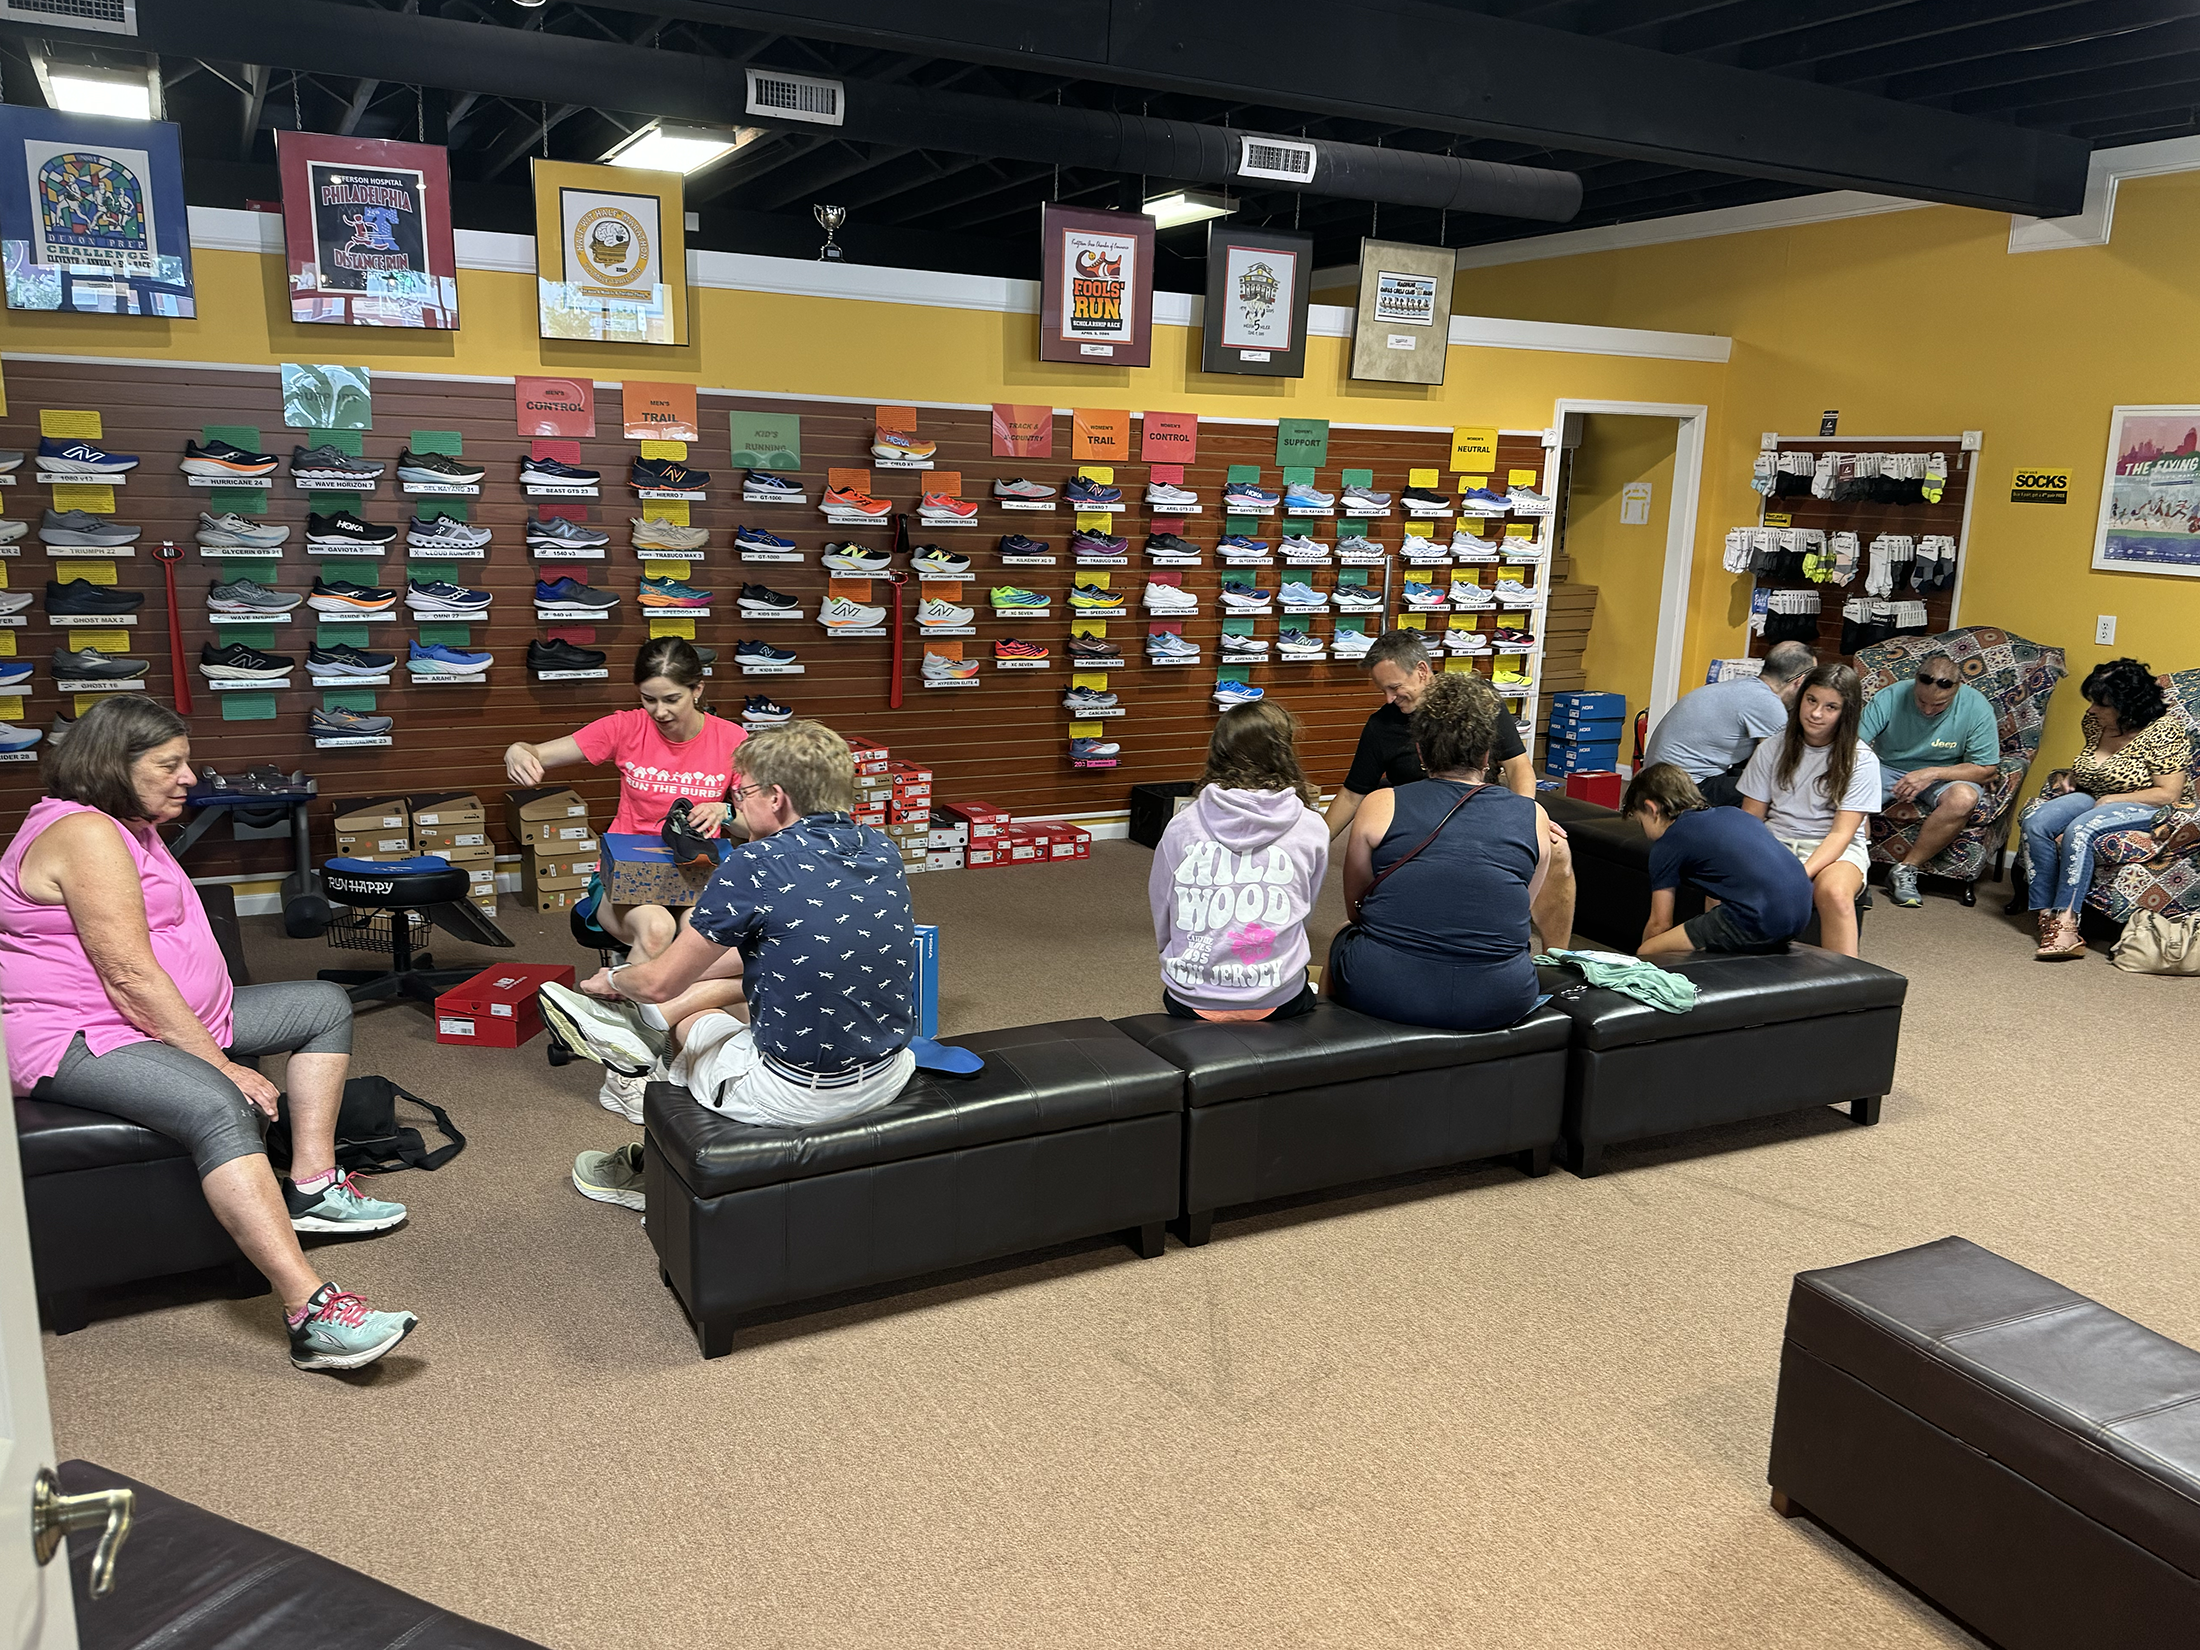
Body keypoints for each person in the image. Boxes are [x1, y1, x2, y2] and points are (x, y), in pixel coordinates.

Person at [0, 698, 417, 1373]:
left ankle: (312, 1185)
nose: (189, 776)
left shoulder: (126, 823)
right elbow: (129, 976)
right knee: (219, 1106)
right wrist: (221, 1066)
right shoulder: (85, 834)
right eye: (169, 764)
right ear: (113, 766)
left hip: (156, 1017)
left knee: (322, 1004)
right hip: (81, 1035)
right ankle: (309, 1313)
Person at [538, 721, 918, 1212]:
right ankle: (675, 1014)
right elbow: (793, 947)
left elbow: (654, 981)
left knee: (684, 1031)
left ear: (777, 797)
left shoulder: (756, 863)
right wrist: (690, 981)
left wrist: (612, 981)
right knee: (764, 966)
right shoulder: (880, 847)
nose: (738, 804)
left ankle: (659, 1176)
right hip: (890, 1070)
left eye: (744, 793)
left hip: (798, 1095)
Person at [502, 636, 744, 1120]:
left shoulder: (732, 740)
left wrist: (727, 810)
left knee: (710, 937)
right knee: (656, 930)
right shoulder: (623, 727)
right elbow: (535, 751)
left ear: (698, 689)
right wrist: (517, 750)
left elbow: (758, 822)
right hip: (628, 878)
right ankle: (625, 1076)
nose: (659, 711)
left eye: (671, 698)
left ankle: (689, 1039)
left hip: (699, 875)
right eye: (648, 698)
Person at [1325, 629, 1575, 948]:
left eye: (1394, 687)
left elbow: (1518, 766)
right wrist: (1312, 841)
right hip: (1419, 823)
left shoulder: (1478, 703)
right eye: (1383, 690)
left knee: (1556, 848)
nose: (1388, 698)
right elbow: (1351, 793)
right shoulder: (1381, 726)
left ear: (1422, 671)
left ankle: (1554, 959)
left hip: (1485, 812)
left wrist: (1523, 819)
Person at [1330, 673, 1550, 1032]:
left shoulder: (1380, 805)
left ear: (1420, 751)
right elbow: (1516, 909)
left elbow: (1357, 910)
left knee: (1342, 936)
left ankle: (1333, 1043)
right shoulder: (1534, 818)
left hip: (1385, 987)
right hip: (1502, 996)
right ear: (1486, 754)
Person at [1151, 700, 1328, 1020]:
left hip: (1191, 998)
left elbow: (1163, 914)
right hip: (1278, 998)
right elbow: (1303, 909)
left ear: (1217, 753)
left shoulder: (1182, 826)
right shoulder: (1312, 826)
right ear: (1284, 754)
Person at [2021, 657, 2192, 962]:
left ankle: (2067, 925)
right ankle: (2046, 915)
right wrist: (2072, 779)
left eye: (2101, 704)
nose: (2090, 710)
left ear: (2129, 706)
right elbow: (2098, 767)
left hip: (2150, 807)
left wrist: (2112, 801)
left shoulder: (2165, 731)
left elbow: (2169, 793)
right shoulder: (2095, 723)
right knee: (2037, 820)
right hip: (2096, 796)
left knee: (2081, 828)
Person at [1738, 662, 1880, 958]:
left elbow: (1842, 833)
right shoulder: (1772, 748)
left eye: (1831, 707)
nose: (1816, 713)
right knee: (1725, 882)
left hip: (1835, 848)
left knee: (1834, 893)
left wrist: (1800, 874)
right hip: (1776, 840)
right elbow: (1750, 819)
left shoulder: (1862, 760)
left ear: (1846, 713)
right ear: (1800, 697)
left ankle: (1845, 987)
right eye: (1811, 700)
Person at [1622, 762, 1814, 957]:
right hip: (1801, 913)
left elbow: (1659, 924)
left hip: (1758, 918)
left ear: (1652, 809)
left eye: (1641, 822)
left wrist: (1639, 962)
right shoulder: (1731, 813)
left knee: (1648, 950)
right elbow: (1718, 892)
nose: (1645, 833)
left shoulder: (1669, 843)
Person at [1859, 651, 2001, 908]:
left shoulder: (1976, 706)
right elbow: (1853, 744)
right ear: (1914, 683)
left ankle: (1905, 870)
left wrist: (1931, 773)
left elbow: (1987, 769)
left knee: (1963, 798)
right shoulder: (1890, 696)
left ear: (1957, 689)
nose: (1927, 709)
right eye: (1921, 701)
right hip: (1887, 766)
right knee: (1847, 788)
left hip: (1945, 773)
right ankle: (1857, 873)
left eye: (1938, 705)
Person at [1642, 640, 1816, 806]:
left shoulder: (1740, 687)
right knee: (1775, 791)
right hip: (1682, 788)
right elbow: (1781, 767)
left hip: (1654, 780)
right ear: (1800, 681)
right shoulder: (1767, 703)